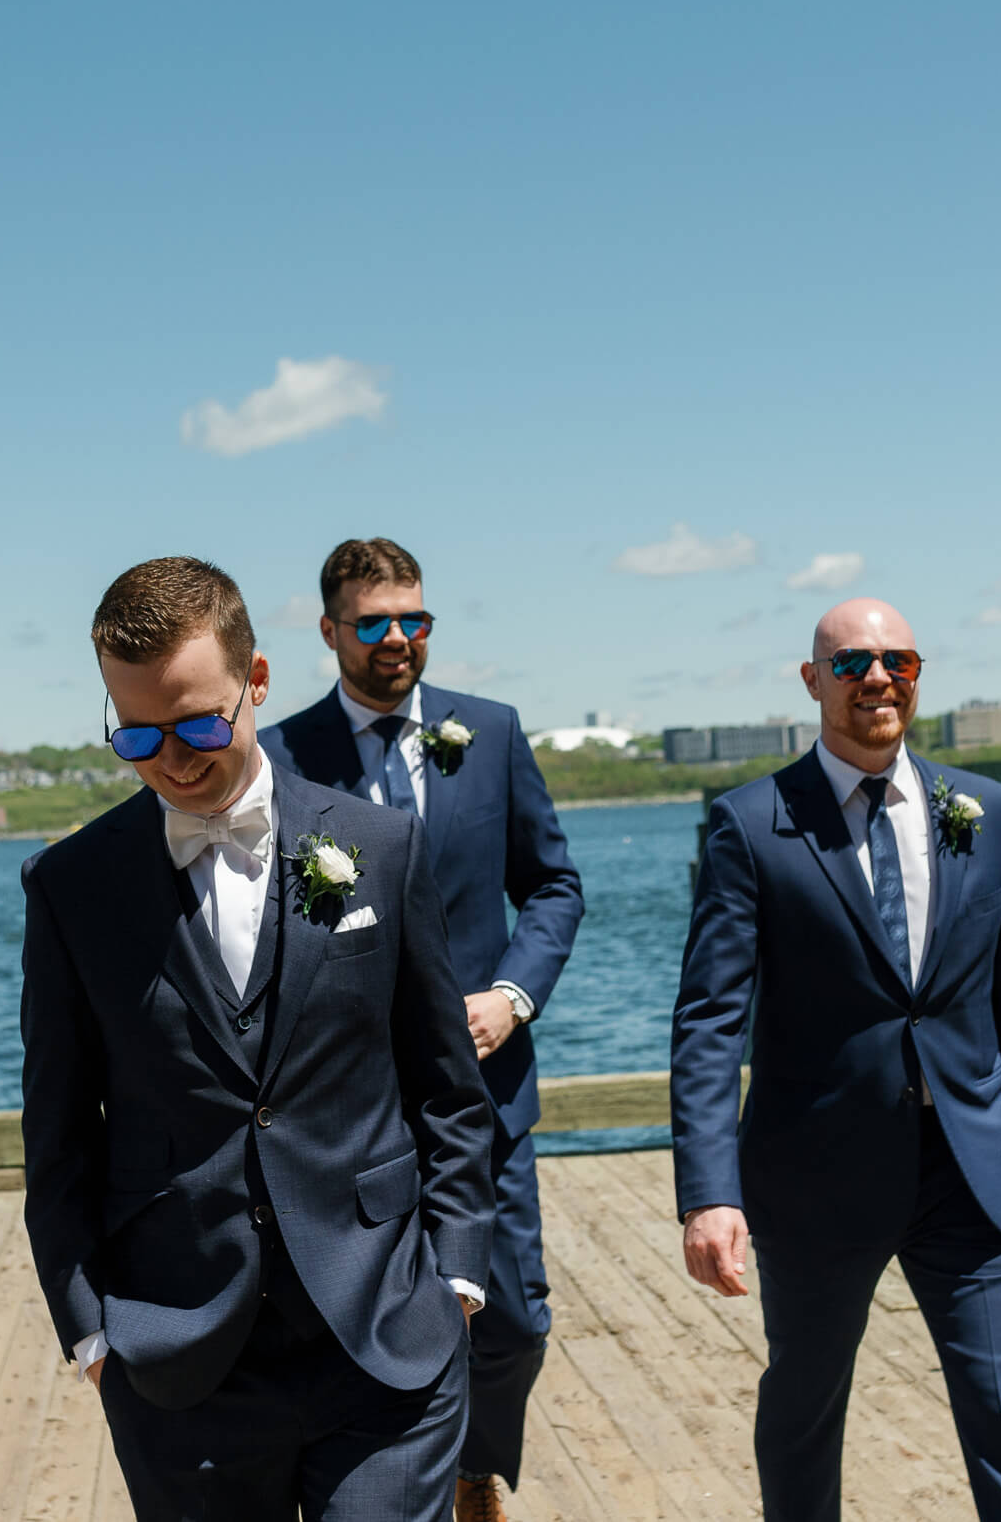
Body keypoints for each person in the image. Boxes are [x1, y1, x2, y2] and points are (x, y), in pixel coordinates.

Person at [20, 556, 497, 1521]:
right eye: (138, 735)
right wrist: (91, 1334)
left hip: (386, 1338)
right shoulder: (70, 887)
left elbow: (446, 1087)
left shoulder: (381, 848)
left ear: (259, 682)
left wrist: (455, 1279)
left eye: (200, 723)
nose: (175, 758)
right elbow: (58, 1133)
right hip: (178, 1359)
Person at [670, 597, 1001, 1522]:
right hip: (817, 1179)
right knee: (804, 1417)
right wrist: (708, 1191)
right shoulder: (750, 824)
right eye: (853, 663)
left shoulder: (988, 813)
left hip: (973, 1177)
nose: (879, 678)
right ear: (813, 682)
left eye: (899, 659)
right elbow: (707, 1020)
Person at [261, 537, 583, 1522]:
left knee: (513, 1317)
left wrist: (513, 995)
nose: (399, 637)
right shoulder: (277, 756)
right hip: (348, 1103)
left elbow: (554, 884)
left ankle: (470, 1465)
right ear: (330, 632)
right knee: (360, 1310)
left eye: (415, 619)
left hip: (486, 1088)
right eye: (375, 622)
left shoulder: (490, 730)